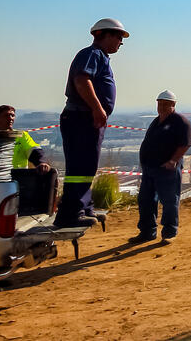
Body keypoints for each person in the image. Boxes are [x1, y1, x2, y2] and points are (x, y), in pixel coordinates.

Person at [56, 18, 128, 229]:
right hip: (82, 117)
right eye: (118, 37)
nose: (120, 42)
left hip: (85, 118)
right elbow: (82, 80)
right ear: (103, 34)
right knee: (80, 166)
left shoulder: (99, 56)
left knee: (86, 166)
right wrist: (97, 108)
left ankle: (84, 206)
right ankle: (70, 213)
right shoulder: (92, 54)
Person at [130, 90, 191, 244]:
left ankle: (169, 232)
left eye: (166, 104)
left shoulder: (180, 122)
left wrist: (173, 161)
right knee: (145, 200)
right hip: (149, 169)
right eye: (160, 104)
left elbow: (185, 144)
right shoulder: (156, 121)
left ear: (173, 105)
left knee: (169, 200)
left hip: (167, 169)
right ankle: (147, 232)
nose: (162, 107)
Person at [0, 105, 50, 173]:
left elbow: (33, 149)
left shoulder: (21, 135)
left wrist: (41, 162)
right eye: (6, 115)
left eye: (12, 115)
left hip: (18, 177)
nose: (10, 118)